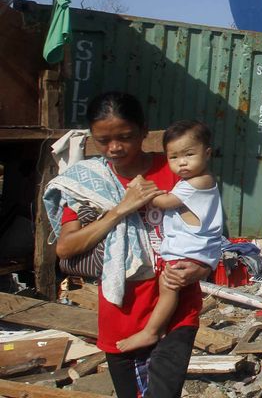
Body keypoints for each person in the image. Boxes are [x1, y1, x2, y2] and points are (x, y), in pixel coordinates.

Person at [47, 92, 210, 398]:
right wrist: (120, 210)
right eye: (103, 140)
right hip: (121, 314)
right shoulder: (87, 182)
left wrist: (201, 267)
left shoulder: (175, 169)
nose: (115, 148)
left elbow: (210, 227)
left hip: (176, 307)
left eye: (125, 137)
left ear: (144, 131)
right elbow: (66, 247)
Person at [116, 120, 223, 352]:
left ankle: (150, 332)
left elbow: (165, 202)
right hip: (195, 250)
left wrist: (141, 188)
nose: (182, 162)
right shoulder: (195, 182)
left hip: (188, 250)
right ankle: (160, 327)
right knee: (170, 289)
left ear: (207, 153)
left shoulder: (198, 181)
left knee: (168, 288)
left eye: (189, 154)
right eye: (173, 157)